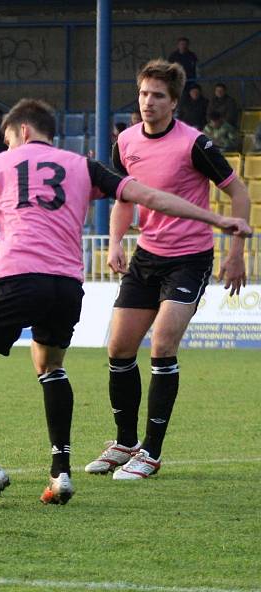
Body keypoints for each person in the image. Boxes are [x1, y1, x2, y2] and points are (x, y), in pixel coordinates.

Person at [0, 97, 250, 508]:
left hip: (17, 280)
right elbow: (147, 197)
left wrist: (13, 252)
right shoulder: (83, 165)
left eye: (9, 139)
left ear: (22, 131)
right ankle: (60, 474)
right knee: (50, 368)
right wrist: (219, 220)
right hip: (66, 286)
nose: (9, 147)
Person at [85, 59, 252, 481]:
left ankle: (152, 453)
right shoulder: (124, 142)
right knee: (119, 348)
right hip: (146, 255)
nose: (148, 102)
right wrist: (117, 241)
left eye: (158, 95)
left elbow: (239, 192)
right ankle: (125, 442)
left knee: (162, 345)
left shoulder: (196, 144)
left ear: (174, 103)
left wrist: (236, 253)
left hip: (190, 259)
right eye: (143, 93)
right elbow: (123, 197)